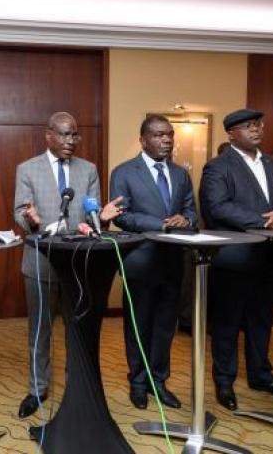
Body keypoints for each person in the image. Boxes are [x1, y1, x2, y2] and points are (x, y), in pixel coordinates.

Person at [13, 111, 122, 418]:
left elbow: (92, 213)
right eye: (64, 134)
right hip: (41, 261)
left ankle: (77, 386)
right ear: (48, 135)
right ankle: (37, 388)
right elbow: (19, 211)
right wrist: (30, 220)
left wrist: (101, 219)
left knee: (77, 328)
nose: (70, 140)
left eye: (75, 134)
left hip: (78, 262)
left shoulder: (88, 169)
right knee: (40, 329)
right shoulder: (27, 169)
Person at [199, 108, 273, 411]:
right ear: (231, 134)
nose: (256, 129)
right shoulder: (218, 166)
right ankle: (224, 381)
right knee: (227, 322)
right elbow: (218, 207)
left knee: (262, 319)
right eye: (247, 126)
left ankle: (261, 376)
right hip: (235, 258)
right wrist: (269, 221)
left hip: (270, 256)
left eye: (258, 124)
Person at [110, 115, 197, 410]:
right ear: (143, 140)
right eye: (159, 135)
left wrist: (186, 220)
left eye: (170, 134)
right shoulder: (124, 172)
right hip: (140, 260)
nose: (167, 140)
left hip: (174, 261)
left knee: (164, 326)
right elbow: (122, 216)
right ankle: (137, 382)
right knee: (138, 326)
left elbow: (192, 211)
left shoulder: (181, 174)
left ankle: (158, 382)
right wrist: (161, 224)